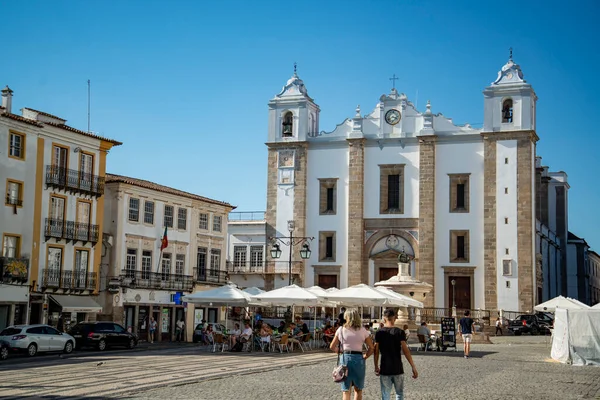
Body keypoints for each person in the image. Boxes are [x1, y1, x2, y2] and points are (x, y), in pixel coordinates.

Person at [329, 308, 375, 400]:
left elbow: (332, 346)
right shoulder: (362, 330)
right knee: (358, 389)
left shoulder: (341, 329)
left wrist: (341, 351)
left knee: (346, 390)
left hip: (345, 358)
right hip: (358, 359)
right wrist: (365, 356)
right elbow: (371, 347)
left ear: (346, 317)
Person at [374, 309, 418, 400]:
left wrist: (376, 366)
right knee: (399, 394)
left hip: (385, 367)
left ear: (384, 318)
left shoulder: (379, 333)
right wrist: (413, 366)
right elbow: (406, 351)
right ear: (394, 318)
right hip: (397, 367)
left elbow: (376, 351)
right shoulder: (399, 332)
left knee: (385, 395)